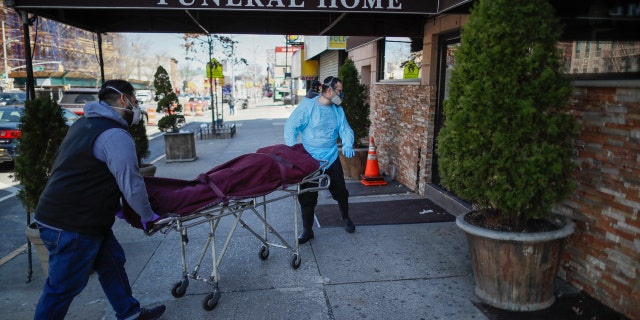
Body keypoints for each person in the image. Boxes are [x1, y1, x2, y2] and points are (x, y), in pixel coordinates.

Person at [33, 80, 166, 320]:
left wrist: (112, 207)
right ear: (124, 100)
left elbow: (77, 169)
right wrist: (148, 216)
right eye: (135, 102)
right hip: (72, 225)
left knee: (112, 263)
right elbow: (131, 182)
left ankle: (130, 313)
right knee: (62, 289)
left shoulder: (82, 124)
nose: (137, 109)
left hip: (75, 217)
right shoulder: (115, 135)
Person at [284, 76, 356, 244]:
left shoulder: (337, 109)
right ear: (329, 90)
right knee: (308, 196)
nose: (341, 94)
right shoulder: (308, 107)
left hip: (330, 156)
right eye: (339, 91)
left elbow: (345, 128)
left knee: (340, 191)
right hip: (310, 159)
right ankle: (307, 230)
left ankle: (346, 218)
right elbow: (291, 126)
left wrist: (348, 143)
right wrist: (293, 150)